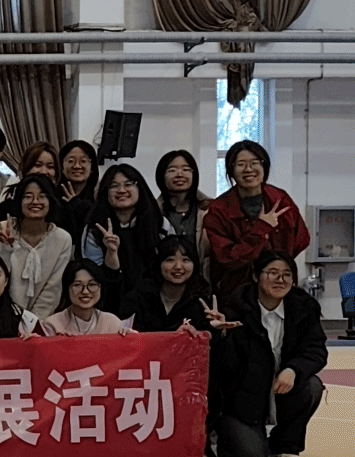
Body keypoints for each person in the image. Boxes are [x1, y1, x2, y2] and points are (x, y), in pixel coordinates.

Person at [210, 249, 324, 457]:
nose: (280, 280)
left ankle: (286, 445)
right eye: (272, 273)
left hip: (282, 388)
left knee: (311, 385)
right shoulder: (235, 307)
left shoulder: (304, 307)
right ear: (256, 276)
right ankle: (223, 435)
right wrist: (222, 335)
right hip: (243, 398)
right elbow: (224, 367)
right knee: (250, 456)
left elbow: (316, 349)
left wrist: (293, 369)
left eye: (286, 274)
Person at [205, 139, 310, 299]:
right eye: (241, 164)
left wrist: (275, 266)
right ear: (231, 170)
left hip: (278, 287)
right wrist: (261, 230)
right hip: (237, 292)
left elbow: (301, 239)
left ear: (264, 166)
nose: (248, 169)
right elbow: (226, 257)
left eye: (254, 163)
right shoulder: (219, 209)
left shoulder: (279, 199)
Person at [81, 162, 163, 316]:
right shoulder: (95, 228)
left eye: (128, 184)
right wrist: (111, 253)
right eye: (114, 186)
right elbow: (95, 277)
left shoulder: (159, 223)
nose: (121, 190)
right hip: (108, 305)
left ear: (140, 187)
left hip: (153, 304)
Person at [0, 174, 73, 321]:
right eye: (28, 196)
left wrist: (31, 323)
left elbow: (52, 290)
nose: (35, 201)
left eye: (42, 196)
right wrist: (5, 248)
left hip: (39, 322)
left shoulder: (62, 239)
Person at [132, 235, 220, 334]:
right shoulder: (138, 299)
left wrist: (219, 330)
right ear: (159, 264)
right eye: (170, 260)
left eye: (185, 260)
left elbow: (210, 341)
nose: (178, 266)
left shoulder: (204, 303)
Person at [41, 259, 131, 336]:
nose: (85, 291)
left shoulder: (112, 323)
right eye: (77, 285)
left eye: (92, 284)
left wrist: (129, 337)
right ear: (67, 288)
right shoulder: (52, 325)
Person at [154, 149, 209, 259]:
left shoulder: (208, 209)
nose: (179, 174)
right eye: (172, 170)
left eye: (186, 169)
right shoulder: (153, 212)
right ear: (161, 175)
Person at [56, 140, 100, 233]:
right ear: (62, 167)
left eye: (83, 161)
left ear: (92, 167)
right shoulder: (52, 196)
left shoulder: (99, 196)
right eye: (71, 161)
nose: (77, 166)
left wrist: (78, 205)